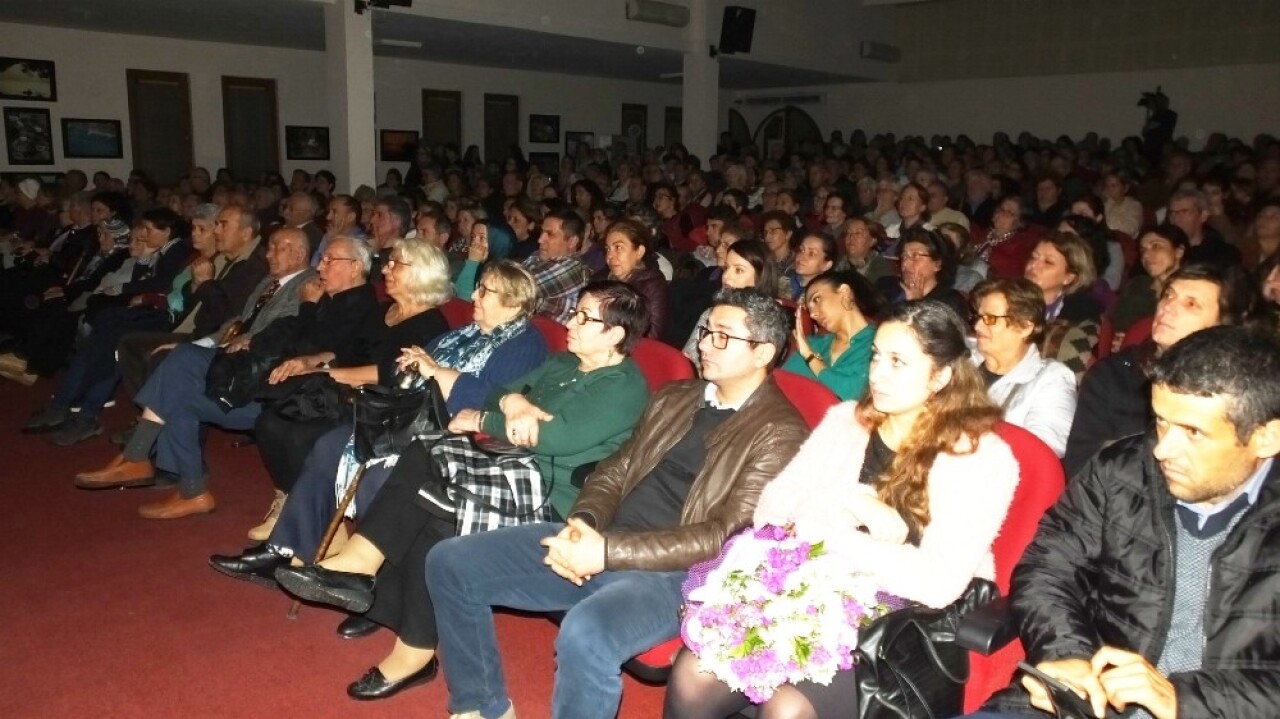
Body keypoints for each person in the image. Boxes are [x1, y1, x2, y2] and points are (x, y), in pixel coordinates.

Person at [425, 288, 806, 719]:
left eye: (722, 336)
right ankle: (482, 707)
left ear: (763, 353)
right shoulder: (676, 397)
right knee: (451, 563)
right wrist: (583, 523)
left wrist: (605, 553)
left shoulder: (779, 434)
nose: (703, 343)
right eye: (706, 331)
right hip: (603, 539)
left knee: (586, 634)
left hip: (673, 574)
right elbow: (614, 469)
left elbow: (720, 537)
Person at [266, 282, 654, 703]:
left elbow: (552, 438)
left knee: (441, 506)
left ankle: (391, 617)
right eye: (574, 312)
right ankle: (374, 591)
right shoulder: (563, 363)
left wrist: (483, 419)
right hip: (506, 466)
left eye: (584, 317)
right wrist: (514, 407)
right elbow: (501, 391)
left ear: (615, 334)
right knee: (425, 463)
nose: (570, 323)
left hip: (550, 496)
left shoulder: (623, 387)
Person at [665, 299, 1020, 718]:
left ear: (940, 376)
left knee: (788, 708)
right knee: (694, 672)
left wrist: (833, 537)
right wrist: (854, 500)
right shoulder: (846, 421)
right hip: (806, 589)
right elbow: (772, 510)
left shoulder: (982, 458)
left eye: (898, 362)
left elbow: (937, 582)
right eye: (875, 357)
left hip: (897, 624)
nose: (878, 374)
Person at [973, 326, 1280, 719]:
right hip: (1085, 701)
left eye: (1193, 433)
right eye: (1162, 421)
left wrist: (1181, 700)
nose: (1163, 449)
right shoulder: (1121, 469)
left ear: (1266, 439)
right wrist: (1067, 654)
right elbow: (1048, 567)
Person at [210, 259, 548, 572]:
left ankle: (378, 581)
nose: (473, 294)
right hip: (411, 414)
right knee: (331, 443)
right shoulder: (466, 333)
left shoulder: (524, 346)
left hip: (455, 433)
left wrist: (434, 371)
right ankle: (289, 549)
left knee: (379, 475)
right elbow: (412, 362)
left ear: (513, 302)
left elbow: (491, 403)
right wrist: (410, 363)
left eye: (484, 290)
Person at [70, 228, 321, 518]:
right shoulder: (269, 281)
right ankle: (193, 491)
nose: (267, 253)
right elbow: (237, 322)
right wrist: (206, 341)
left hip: (259, 382)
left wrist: (246, 340)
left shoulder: (309, 285)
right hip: (234, 365)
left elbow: (293, 332)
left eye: (277, 247)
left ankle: (136, 454)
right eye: (269, 247)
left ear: (299, 253)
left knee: (183, 358)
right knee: (179, 395)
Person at [1063, 262, 1257, 478]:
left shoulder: (1237, 391)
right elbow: (1079, 470)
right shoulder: (1112, 376)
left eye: (1191, 304)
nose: (1168, 307)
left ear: (1221, 325)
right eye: (1168, 296)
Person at [971, 278, 1077, 456]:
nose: (977, 326)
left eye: (989, 318)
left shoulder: (1051, 379)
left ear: (1025, 327)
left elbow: (1043, 452)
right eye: (978, 317)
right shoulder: (962, 359)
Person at [456, 207, 591, 324]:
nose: (540, 239)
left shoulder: (572, 268)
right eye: (541, 232)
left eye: (549, 234)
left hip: (545, 342)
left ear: (572, 241)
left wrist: (474, 263)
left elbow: (508, 289)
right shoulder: (537, 256)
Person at [780, 269, 879, 400]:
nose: (812, 314)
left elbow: (852, 393)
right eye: (809, 309)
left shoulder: (877, 343)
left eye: (816, 300)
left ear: (845, 292)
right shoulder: (813, 344)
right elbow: (779, 388)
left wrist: (810, 358)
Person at [683, 239, 778, 370]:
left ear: (760, 277)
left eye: (738, 270)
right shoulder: (712, 314)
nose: (726, 276)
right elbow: (686, 360)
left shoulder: (768, 324)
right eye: (726, 268)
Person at [1024, 231, 1103, 381]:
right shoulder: (1004, 299)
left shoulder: (1080, 319)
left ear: (1068, 277)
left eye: (1048, 262)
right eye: (1034, 257)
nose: (1033, 265)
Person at [1110, 224, 1189, 340]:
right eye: (1143, 250)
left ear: (1179, 252)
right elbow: (1116, 325)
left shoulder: (1191, 291)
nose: (1146, 255)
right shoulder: (1138, 285)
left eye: (1156, 246)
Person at [877, 227, 969, 319]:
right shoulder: (886, 285)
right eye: (904, 256)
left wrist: (917, 304)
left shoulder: (950, 303)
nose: (905, 263)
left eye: (915, 256)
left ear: (937, 264)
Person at [599, 218, 669, 338]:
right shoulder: (600, 278)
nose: (609, 256)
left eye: (618, 248)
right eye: (608, 249)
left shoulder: (653, 286)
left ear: (639, 252)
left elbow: (651, 336)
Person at [837, 217, 896, 284]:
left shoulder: (880, 267)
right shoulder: (837, 263)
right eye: (849, 232)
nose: (851, 237)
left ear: (872, 241)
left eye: (858, 233)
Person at [781, 231, 837, 302]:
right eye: (801, 250)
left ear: (827, 265)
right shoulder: (784, 279)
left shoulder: (825, 296)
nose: (801, 257)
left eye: (811, 253)